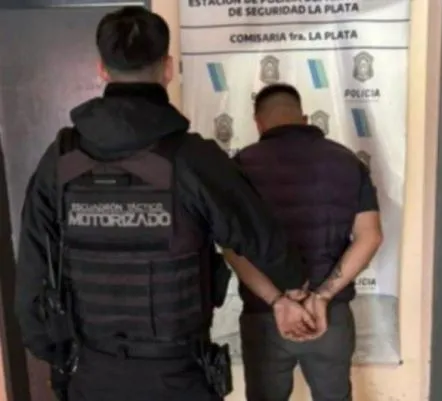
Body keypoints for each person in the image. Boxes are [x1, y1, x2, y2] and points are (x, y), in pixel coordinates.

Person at [14, 8, 317, 401]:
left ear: (102, 69)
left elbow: (31, 275)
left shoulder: (60, 159)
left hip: (91, 372)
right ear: (168, 69)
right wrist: (295, 286)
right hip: (177, 376)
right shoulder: (193, 158)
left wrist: (59, 354)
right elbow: (266, 245)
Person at [232, 83, 383, 401]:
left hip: (266, 315)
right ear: (303, 118)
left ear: (258, 122)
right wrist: (323, 296)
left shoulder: (241, 166)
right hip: (329, 313)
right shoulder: (346, 161)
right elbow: (370, 235)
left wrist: (278, 301)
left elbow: (234, 248)